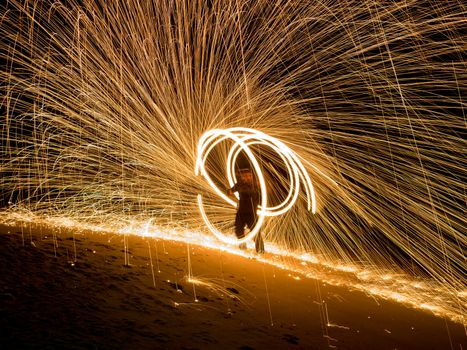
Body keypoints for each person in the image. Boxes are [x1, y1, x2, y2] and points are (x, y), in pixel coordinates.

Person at [227, 168, 265, 253]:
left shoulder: (255, 185)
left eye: (250, 176)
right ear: (242, 177)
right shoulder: (239, 185)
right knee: (238, 230)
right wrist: (229, 191)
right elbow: (230, 191)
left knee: (255, 232)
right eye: (246, 176)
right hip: (241, 212)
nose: (248, 177)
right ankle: (242, 247)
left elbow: (251, 192)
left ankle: (261, 250)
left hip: (252, 213)